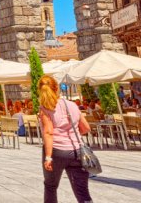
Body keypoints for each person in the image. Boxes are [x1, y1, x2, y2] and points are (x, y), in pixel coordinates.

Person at [38, 75, 92, 203]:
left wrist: (48, 157)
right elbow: (86, 128)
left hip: (57, 151)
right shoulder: (72, 105)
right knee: (82, 190)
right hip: (76, 150)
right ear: (57, 88)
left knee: (51, 186)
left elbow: (48, 133)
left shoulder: (45, 108)